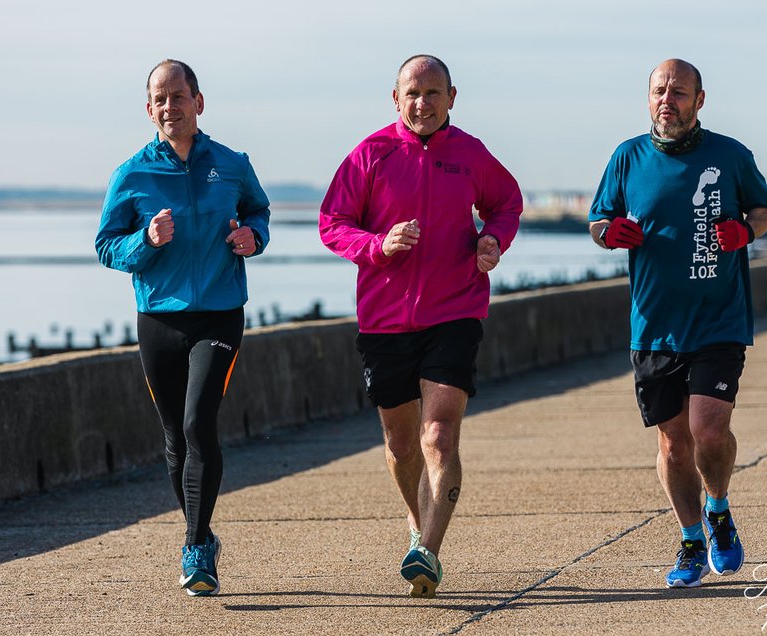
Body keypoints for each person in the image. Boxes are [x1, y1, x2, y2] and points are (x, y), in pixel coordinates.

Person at [319, 54, 522, 598]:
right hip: (384, 319)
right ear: (395, 98)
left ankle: (428, 551)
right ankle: (416, 522)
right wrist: (377, 246)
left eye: (433, 93)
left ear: (451, 98)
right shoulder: (370, 154)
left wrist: (493, 241)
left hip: (455, 310)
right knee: (402, 441)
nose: (422, 103)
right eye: (412, 92)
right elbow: (332, 223)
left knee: (439, 434)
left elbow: (507, 203)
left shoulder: (470, 154)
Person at [587, 59, 767, 588]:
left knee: (708, 428)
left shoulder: (731, 155)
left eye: (678, 92)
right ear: (648, 97)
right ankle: (692, 537)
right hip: (653, 325)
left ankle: (718, 506)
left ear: (699, 100)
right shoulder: (628, 157)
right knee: (673, 444)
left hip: (719, 319)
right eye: (658, 91)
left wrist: (746, 230)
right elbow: (599, 220)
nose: (666, 100)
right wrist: (610, 233)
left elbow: (765, 207)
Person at [95, 59, 270, 597]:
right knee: (175, 438)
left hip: (218, 312)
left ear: (199, 101)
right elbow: (107, 246)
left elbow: (258, 214)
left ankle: (195, 545)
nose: (171, 107)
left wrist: (253, 239)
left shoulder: (232, 164)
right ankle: (204, 535)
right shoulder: (131, 175)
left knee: (198, 423)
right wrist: (145, 240)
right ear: (150, 110)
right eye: (160, 99)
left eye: (179, 96)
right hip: (159, 318)